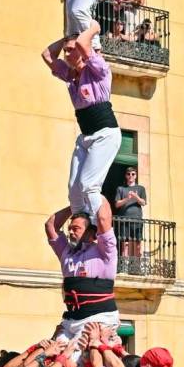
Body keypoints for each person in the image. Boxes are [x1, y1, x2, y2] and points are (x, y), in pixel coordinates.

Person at [43, 21, 123, 224]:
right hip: (86, 136)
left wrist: (93, 28)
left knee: (89, 185)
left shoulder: (98, 70)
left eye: (71, 51)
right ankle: (81, 223)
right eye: (66, 51)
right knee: (74, 189)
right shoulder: (69, 76)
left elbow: (82, 43)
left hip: (105, 134)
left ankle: (99, 227)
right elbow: (47, 55)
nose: (66, 54)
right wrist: (66, 38)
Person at [45, 196, 119, 359]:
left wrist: (92, 192)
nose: (70, 231)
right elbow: (51, 225)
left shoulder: (105, 252)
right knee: (52, 358)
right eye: (70, 228)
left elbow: (103, 219)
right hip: (71, 319)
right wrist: (75, 205)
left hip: (97, 317)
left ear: (91, 232)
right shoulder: (66, 252)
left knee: (75, 363)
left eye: (76, 228)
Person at [114, 167, 147, 272]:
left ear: (136, 176)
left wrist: (136, 197)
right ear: (126, 175)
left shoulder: (141, 188)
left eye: (133, 174)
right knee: (125, 244)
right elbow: (117, 204)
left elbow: (143, 203)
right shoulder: (121, 189)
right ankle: (124, 267)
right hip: (124, 220)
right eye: (128, 174)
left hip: (137, 220)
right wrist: (127, 198)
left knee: (137, 244)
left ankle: (136, 268)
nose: (131, 176)